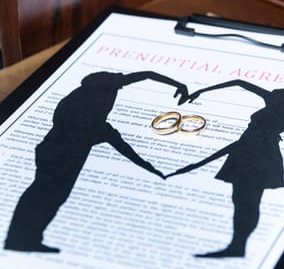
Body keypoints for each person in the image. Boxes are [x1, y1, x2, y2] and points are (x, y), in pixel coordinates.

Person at [4, 71, 188, 253]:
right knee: (45, 197)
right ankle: (21, 239)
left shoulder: (80, 103)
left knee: (46, 196)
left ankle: (23, 239)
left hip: (52, 152)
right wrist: (152, 169)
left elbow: (145, 75)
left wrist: (178, 84)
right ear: (103, 93)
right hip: (62, 159)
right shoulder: (94, 123)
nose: (120, 87)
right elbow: (125, 149)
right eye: (116, 86)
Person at [168, 80, 284, 257]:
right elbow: (239, 82)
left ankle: (238, 246)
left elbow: (240, 144)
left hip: (256, 159)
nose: (271, 93)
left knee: (247, 202)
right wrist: (202, 90)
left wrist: (198, 164)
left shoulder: (272, 118)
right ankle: (237, 246)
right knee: (244, 202)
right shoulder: (274, 106)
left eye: (278, 95)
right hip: (252, 156)